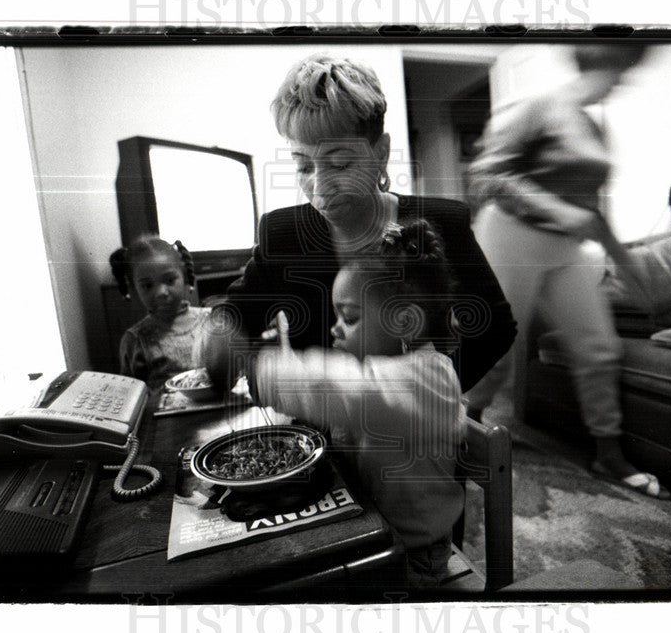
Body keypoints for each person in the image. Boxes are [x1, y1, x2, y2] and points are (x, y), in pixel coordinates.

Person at [220, 54, 515, 395]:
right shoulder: (282, 235)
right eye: (303, 167)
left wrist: (432, 394)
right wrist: (223, 338)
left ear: (381, 152)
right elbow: (236, 319)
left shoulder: (441, 224)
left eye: (340, 163)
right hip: (320, 440)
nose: (319, 187)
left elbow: (495, 329)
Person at [210, 220, 465, 589]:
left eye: (350, 318)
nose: (335, 329)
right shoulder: (383, 369)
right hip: (369, 524)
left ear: (406, 321)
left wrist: (259, 367)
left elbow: (350, 392)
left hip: (412, 553)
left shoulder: (430, 380)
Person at [467, 43, 671, 499]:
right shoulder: (542, 107)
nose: (625, 79)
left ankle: (609, 455)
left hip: (567, 247)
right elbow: (486, 175)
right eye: (622, 67)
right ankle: (466, 434)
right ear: (602, 62)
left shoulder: (596, 127)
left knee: (599, 347)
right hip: (511, 232)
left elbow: (594, 209)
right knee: (498, 347)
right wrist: (558, 210)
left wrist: (628, 266)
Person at [109, 236, 210, 389]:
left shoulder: (212, 320)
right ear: (135, 290)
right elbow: (130, 393)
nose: (161, 292)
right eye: (148, 286)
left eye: (169, 280)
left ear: (185, 276)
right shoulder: (135, 340)